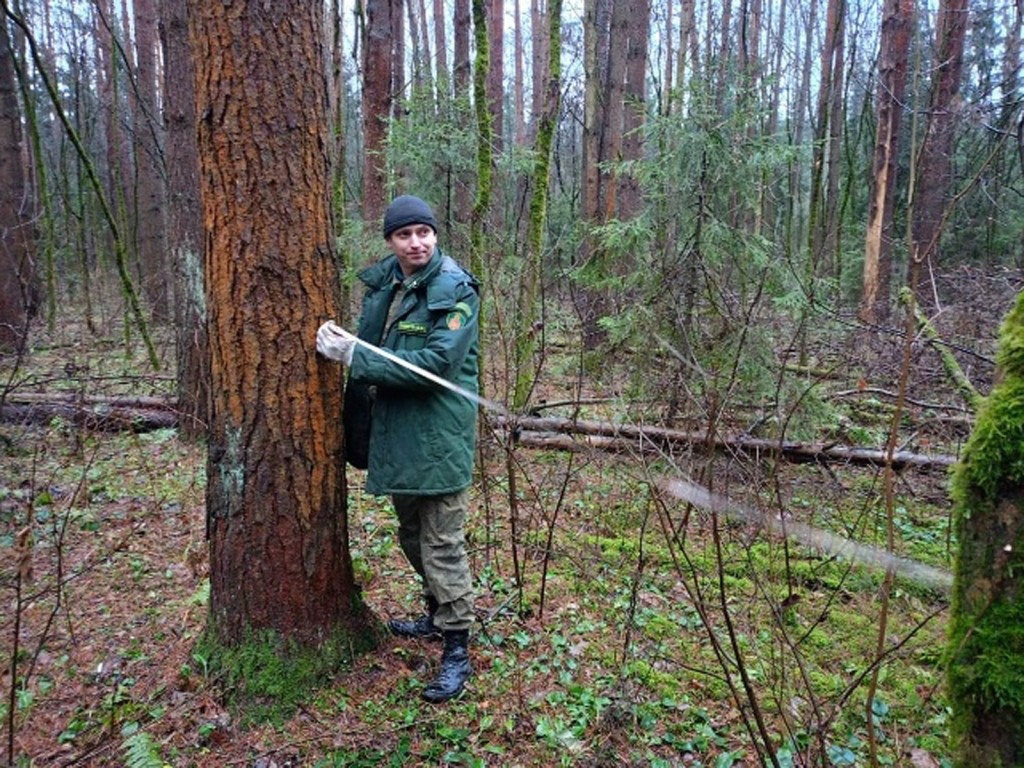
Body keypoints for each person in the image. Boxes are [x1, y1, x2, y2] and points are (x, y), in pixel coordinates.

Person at [315, 195, 479, 703]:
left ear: (435, 234)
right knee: (412, 536)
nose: (416, 243)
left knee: (442, 544)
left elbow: (435, 363)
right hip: (397, 434)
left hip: (438, 437)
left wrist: (354, 355)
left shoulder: (455, 289)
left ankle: (457, 649)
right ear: (390, 241)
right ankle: (436, 614)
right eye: (404, 235)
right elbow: (378, 339)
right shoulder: (387, 283)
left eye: (423, 233)